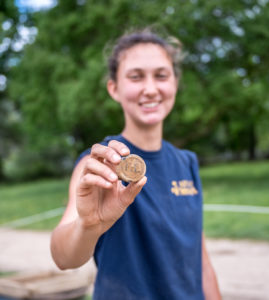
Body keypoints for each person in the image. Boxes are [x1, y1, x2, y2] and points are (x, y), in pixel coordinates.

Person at [50, 28, 221, 300]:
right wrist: (89, 225)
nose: (150, 89)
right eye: (136, 76)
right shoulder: (97, 164)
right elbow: (63, 257)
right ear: (114, 88)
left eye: (161, 75)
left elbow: (199, 258)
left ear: (175, 83)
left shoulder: (187, 162)